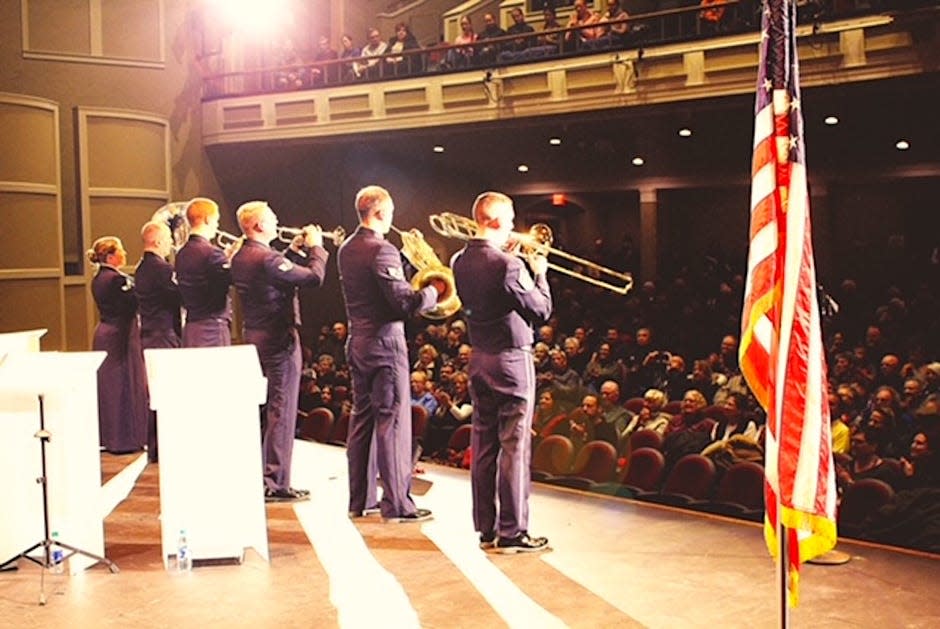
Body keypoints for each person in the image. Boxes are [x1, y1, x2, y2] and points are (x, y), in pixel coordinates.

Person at [451, 191, 552, 554]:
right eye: (509, 219)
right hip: (510, 360)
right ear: (494, 221)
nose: (513, 226)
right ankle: (513, 531)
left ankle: (486, 527)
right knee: (515, 445)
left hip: (479, 357)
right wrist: (538, 274)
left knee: (483, 444)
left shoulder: (460, 260)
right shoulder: (509, 266)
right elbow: (540, 311)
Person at [338, 185, 446, 522]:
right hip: (385, 345)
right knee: (393, 423)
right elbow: (405, 303)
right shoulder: (381, 250)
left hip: (358, 341)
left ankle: (361, 500)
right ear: (381, 213)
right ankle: (398, 505)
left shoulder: (346, 248)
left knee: (362, 420)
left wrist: (407, 268)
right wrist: (434, 290)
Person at [230, 201, 329, 502]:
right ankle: (276, 482)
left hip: (254, 335)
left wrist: (294, 252)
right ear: (258, 225)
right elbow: (313, 278)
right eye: (272, 219)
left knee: (265, 409)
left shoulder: (243, 255)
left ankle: (264, 475)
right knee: (282, 410)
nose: (277, 222)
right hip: (278, 338)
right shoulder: (267, 259)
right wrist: (316, 249)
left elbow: (278, 272)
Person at [87, 236, 148, 454]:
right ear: (112, 256)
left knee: (110, 386)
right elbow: (132, 304)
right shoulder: (116, 280)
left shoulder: (98, 278)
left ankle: (111, 437)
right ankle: (125, 439)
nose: (125, 254)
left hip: (105, 333)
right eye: (121, 250)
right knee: (123, 384)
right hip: (119, 335)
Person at [134, 220, 182, 462]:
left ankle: (155, 448)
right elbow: (180, 295)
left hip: (149, 335)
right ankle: (164, 448)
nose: (171, 245)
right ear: (158, 241)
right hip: (164, 335)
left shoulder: (141, 268)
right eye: (168, 240)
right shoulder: (162, 269)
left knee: (155, 394)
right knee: (166, 392)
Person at [175, 197, 233, 347]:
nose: (217, 225)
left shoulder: (182, 253)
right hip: (212, 327)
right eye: (216, 220)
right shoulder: (212, 253)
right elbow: (232, 279)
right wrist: (234, 259)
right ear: (207, 219)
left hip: (192, 326)